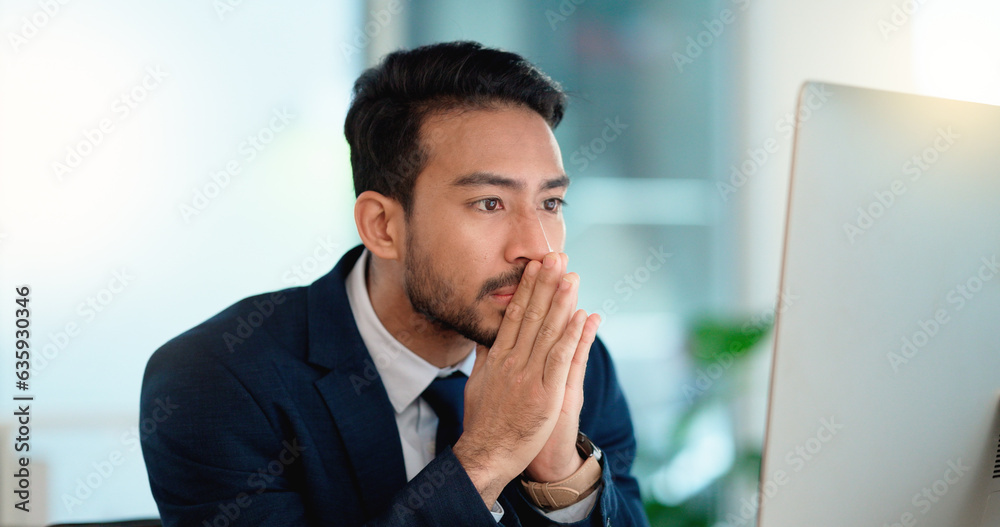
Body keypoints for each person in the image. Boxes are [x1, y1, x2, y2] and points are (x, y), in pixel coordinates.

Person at [140, 41, 649, 526]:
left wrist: (561, 475)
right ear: (382, 226)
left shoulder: (575, 366)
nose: (538, 248)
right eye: (489, 203)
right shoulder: (218, 380)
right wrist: (487, 458)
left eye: (550, 203)